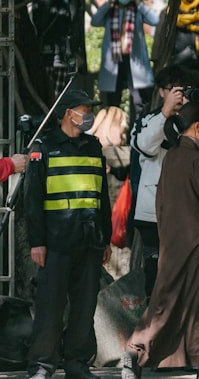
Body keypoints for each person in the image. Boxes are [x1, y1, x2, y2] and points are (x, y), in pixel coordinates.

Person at [122, 101, 199, 379]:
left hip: (173, 238)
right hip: (197, 241)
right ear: (198, 127)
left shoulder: (172, 157)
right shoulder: (198, 160)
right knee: (189, 301)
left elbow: (161, 202)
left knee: (172, 300)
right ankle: (135, 349)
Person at [24, 89, 109, 379]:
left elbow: (103, 196)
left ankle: (76, 364)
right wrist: (37, 242)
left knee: (84, 308)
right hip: (56, 242)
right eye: (84, 110)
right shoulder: (44, 148)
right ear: (67, 113)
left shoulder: (94, 147)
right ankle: (42, 365)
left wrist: (106, 237)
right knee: (50, 307)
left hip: (89, 240)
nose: (88, 116)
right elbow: (32, 200)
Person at [130, 66, 197, 296]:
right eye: (173, 90)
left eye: (184, 90)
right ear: (161, 92)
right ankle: (154, 326)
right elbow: (146, 147)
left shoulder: (195, 120)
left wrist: (197, 112)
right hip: (152, 212)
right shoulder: (147, 120)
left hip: (188, 210)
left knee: (185, 274)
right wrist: (165, 114)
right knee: (156, 275)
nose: (179, 95)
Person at [91, 0, 159, 123]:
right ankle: (114, 133)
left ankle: (137, 134)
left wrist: (141, 5)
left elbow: (155, 21)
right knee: (113, 100)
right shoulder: (110, 11)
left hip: (134, 61)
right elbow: (95, 21)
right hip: (115, 61)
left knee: (138, 101)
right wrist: (106, 5)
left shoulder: (137, 10)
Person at [30, 0, 86, 99]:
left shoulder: (64, 2)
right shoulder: (38, 3)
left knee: (64, 97)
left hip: (65, 56)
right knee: (49, 97)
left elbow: (74, 21)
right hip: (47, 57)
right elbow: (40, 23)